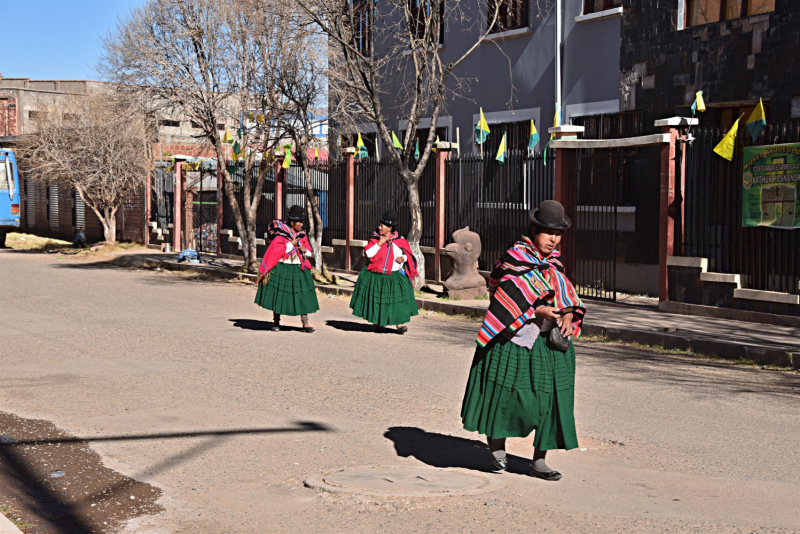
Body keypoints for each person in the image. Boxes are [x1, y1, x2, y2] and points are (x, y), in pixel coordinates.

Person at [460, 200, 586, 481]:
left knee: (549, 399)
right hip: (513, 340)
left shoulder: (554, 263)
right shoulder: (513, 259)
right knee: (506, 394)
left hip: (547, 343)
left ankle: (539, 460)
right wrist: (536, 310)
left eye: (558, 234)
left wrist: (568, 315)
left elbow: (567, 297)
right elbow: (503, 297)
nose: (554, 239)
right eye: (548, 232)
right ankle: (497, 448)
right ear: (534, 230)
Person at [349, 209, 419, 333]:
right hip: (377, 276)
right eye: (380, 225)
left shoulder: (399, 241)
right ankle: (376, 323)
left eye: (382, 225)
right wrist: (379, 244)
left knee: (396, 301)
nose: (379, 227)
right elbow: (369, 254)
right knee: (377, 301)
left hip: (393, 276)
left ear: (390, 228)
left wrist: (403, 258)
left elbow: (409, 255)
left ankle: (399, 324)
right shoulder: (375, 239)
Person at [255, 205, 319, 333]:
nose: (301, 224)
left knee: (302, 294)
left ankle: (305, 324)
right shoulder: (281, 234)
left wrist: (304, 250)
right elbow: (276, 250)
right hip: (283, 267)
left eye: (302, 221)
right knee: (279, 295)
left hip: (298, 268)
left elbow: (310, 253)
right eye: (299, 222)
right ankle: (276, 322)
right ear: (292, 222)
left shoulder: (302, 235)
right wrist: (291, 244)